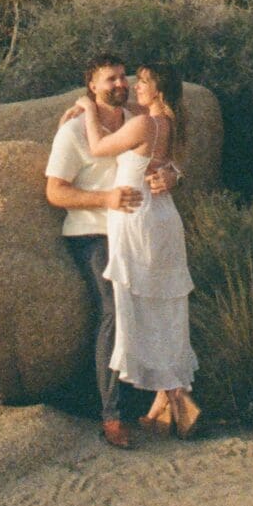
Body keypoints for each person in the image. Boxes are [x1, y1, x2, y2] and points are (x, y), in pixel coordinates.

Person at [44, 52, 179, 449]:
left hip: (137, 230)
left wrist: (174, 175)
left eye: (124, 77)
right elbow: (54, 191)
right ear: (92, 86)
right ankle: (112, 416)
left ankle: (161, 401)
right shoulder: (72, 133)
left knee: (157, 305)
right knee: (114, 310)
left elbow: (165, 155)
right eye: (110, 79)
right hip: (95, 234)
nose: (120, 84)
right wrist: (105, 198)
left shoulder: (137, 119)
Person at [71, 63, 200, 439]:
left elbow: (97, 147)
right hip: (161, 218)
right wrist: (174, 174)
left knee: (135, 311)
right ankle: (168, 398)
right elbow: (172, 165)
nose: (134, 86)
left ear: (159, 90)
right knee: (160, 309)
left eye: (144, 82)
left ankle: (173, 397)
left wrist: (86, 106)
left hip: (136, 218)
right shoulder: (169, 124)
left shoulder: (144, 124)